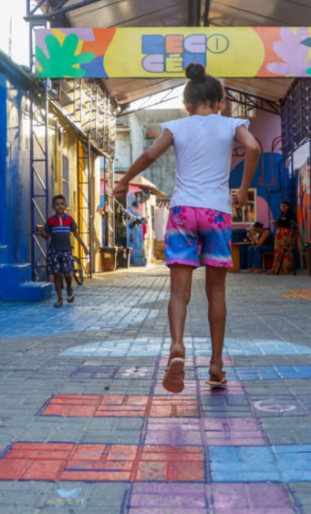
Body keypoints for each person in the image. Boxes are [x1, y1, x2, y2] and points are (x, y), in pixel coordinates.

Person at [114, 62, 260, 394]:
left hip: (182, 212)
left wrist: (124, 181)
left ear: (187, 104)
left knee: (179, 292)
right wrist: (241, 190)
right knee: (216, 292)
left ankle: (178, 346)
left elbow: (150, 154)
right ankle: (216, 366)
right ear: (220, 102)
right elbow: (252, 147)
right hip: (217, 213)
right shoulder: (231, 124)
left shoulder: (177, 127)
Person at [37, 195, 89, 308]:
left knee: (67, 274)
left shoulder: (69, 219)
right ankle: (60, 299)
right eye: (57, 204)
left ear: (65, 206)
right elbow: (46, 236)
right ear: (53, 207)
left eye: (62, 204)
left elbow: (76, 234)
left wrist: (84, 246)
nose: (60, 206)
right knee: (57, 275)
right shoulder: (51, 220)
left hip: (66, 251)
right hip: (54, 251)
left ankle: (69, 288)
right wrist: (41, 232)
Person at [269, 200, 297, 275]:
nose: (282, 207)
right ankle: (276, 268)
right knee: (278, 251)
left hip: (286, 235)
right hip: (279, 236)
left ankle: (285, 269)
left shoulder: (291, 215)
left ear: (288, 207)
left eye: (284, 206)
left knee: (286, 251)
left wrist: (291, 237)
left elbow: (293, 226)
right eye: (281, 206)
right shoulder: (281, 215)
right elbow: (282, 223)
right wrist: (276, 223)